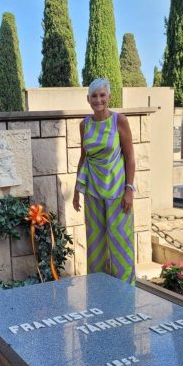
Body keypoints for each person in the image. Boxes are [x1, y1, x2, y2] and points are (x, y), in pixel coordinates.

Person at [72, 78, 136, 283]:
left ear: (109, 97)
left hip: (118, 192)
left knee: (120, 244)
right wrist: (76, 191)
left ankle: (125, 292)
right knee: (96, 246)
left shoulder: (119, 121)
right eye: (94, 96)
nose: (98, 99)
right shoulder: (84, 124)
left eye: (102, 95)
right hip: (93, 192)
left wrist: (129, 190)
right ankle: (99, 288)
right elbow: (84, 158)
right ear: (88, 99)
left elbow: (130, 157)